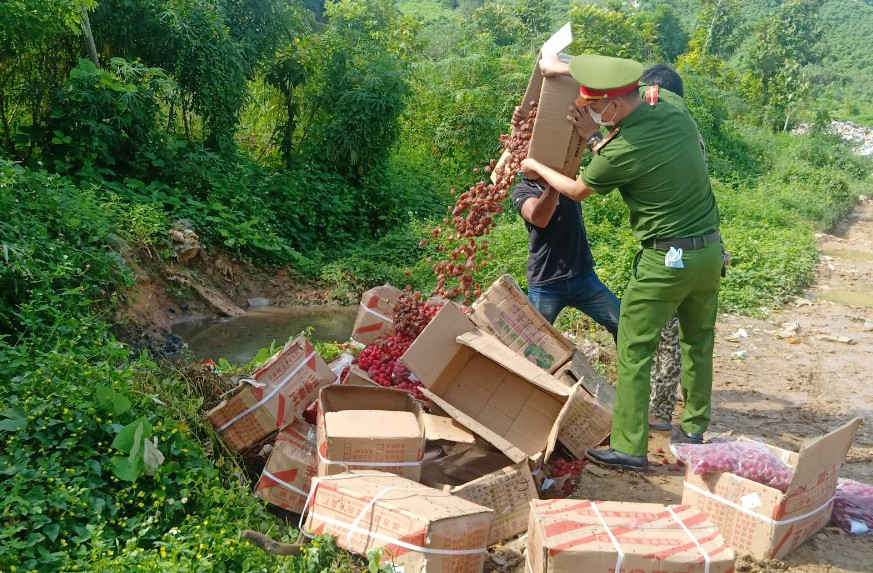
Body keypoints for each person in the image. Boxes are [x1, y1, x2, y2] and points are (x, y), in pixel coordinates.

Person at [522, 53, 722, 471]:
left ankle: (631, 447)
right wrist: (560, 72)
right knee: (698, 341)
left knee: (633, 346)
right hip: (709, 253)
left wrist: (536, 164)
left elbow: (576, 189)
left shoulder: (620, 152)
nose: (594, 113)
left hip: (668, 260)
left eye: (596, 107)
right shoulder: (665, 100)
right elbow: (608, 77)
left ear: (613, 105)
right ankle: (695, 428)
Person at [510, 171, 620, 338]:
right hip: (545, 283)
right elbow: (539, 218)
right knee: (534, 342)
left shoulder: (567, 180)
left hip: (582, 276)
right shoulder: (523, 189)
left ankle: (628, 364)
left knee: (623, 324)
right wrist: (555, 182)